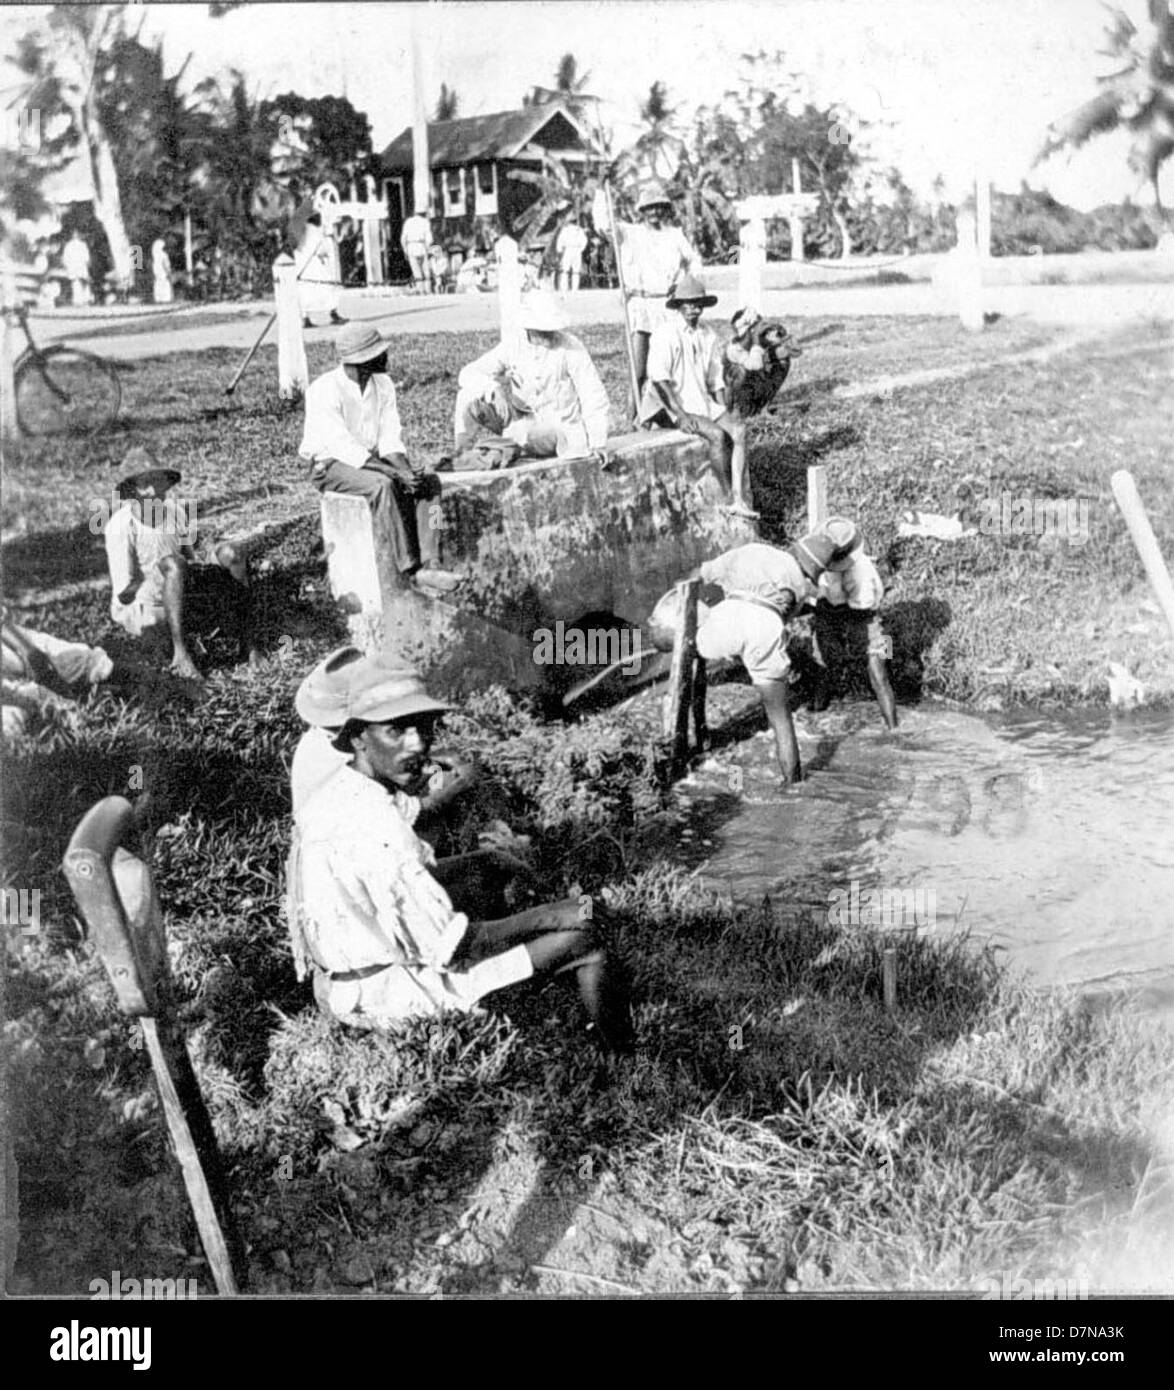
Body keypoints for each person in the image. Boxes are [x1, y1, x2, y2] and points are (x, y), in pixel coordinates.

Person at [286, 648, 635, 1054]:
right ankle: (623, 1060)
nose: (417, 744)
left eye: (423, 727)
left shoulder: (347, 790)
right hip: (384, 993)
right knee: (585, 937)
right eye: (396, 730)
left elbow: (413, 860)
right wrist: (554, 914)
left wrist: (493, 862)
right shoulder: (376, 828)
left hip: (351, 972)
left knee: (486, 869)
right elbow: (454, 948)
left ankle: (529, 972)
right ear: (359, 737)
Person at [647, 532, 840, 784]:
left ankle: (683, 747)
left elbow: (697, 576)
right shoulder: (801, 585)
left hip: (728, 620)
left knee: (690, 646)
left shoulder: (749, 551)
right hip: (767, 628)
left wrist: (676, 603)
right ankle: (793, 784)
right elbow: (781, 617)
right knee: (781, 719)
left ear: (795, 548)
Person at [299, 322, 463, 594]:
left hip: (370, 459)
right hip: (329, 464)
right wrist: (394, 474)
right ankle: (412, 570)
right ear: (360, 361)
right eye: (378, 354)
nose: (385, 357)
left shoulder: (383, 384)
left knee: (429, 482)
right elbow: (340, 446)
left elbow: (389, 435)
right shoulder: (323, 390)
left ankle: (431, 560)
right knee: (383, 487)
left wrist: (405, 470)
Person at [102, 454, 258, 682]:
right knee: (173, 564)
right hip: (145, 605)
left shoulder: (175, 512)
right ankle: (181, 653)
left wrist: (203, 572)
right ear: (134, 490)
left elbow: (189, 557)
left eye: (157, 480)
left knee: (230, 553)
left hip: (178, 590)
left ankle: (249, 642)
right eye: (144, 483)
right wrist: (162, 575)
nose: (153, 489)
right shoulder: (121, 526)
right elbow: (125, 593)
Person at [640, 273, 756, 518]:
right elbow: (659, 379)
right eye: (687, 303)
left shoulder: (708, 335)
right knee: (716, 435)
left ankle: (739, 497)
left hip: (699, 399)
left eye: (697, 303)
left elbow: (715, 378)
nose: (693, 308)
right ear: (679, 305)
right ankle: (727, 498)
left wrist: (725, 407)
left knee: (738, 430)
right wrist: (679, 415)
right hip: (668, 404)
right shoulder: (666, 334)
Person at [453, 290, 610, 459]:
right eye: (542, 330)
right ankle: (462, 455)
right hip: (522, 420)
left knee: (528, 434)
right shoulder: (514, 345)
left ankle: (511, 445)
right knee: (467, 395)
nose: (549, 335)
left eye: (551, 329)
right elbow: (468, 373)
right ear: (529, 328)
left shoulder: (570, 347)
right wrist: (494, 389)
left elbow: (593, 394)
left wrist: (598, 442)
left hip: (559, 431)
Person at [593, 181, 701, 408]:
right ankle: (634, 418)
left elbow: (694, 262)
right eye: (649, 207)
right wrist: (602, 191)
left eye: (658, 207)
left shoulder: (675, 235)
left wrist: (682, 284)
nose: (654, 212)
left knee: (668, 365)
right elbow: (602, 224)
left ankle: (672, 413)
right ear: (641, 211)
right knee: (638, 369)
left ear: (664, 209)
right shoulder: (628, 232)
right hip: (640, 305)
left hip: (667, 305)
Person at [808, 517, 898, 729]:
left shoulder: (862, 571)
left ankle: (894, 728)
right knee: (821, 663)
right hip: (828, 613)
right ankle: (816, 711)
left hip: (867, 616)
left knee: (880, 673)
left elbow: (864, 606)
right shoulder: (818, 562)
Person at [294, 213, 346, 328]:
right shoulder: (305, 230)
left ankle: (333, 312)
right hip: (309, 266)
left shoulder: (322, 229)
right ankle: (305, 317)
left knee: (329, 286)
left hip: (323, 264)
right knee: (307, 289)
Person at [401, 209, 433, 293]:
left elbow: (403, 238)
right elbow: (429, 238)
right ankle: (428, 290)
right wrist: (427, 247)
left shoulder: (408, 222)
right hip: (421, 245)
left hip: (411, 246)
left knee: (416, 269)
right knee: (426, 270)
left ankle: (420, 290)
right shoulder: (425, 222)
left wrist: (405, 249)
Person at [555, 215, 588, 292]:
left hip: (568, 249)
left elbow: (560, 240)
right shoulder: (579, 230)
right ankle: (574, 288)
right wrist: (581, 249)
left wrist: (559, 249)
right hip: (576, 250)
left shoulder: (565, 230)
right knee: (575, 270)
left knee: (565, 270)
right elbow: (584, 241)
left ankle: (564, 288)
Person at [62, 231, 92, 307]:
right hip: (78, 267)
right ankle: (81, 301)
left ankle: (82, 300)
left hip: (77, 267)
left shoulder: (70, 245)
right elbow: (87, 258)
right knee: (79, 283)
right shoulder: (74, 245)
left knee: (78, 283)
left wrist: (68, 266)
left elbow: (65, 259)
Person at [151, 238, 173, 305]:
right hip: (163, 273)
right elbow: (166, 265)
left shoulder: (155, 255)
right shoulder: (163, 255)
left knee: (158, 285)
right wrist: (169, 272)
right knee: (165, 285)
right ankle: (165, 299)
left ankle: (158, 298)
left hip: (157, 273)